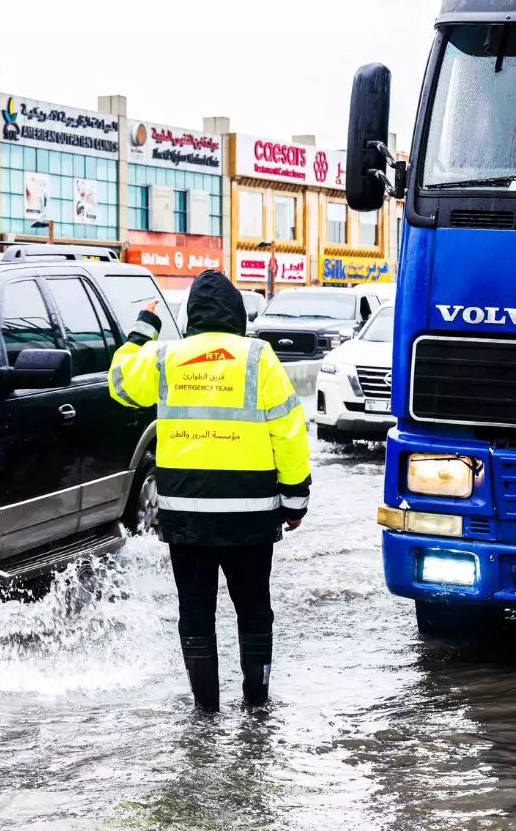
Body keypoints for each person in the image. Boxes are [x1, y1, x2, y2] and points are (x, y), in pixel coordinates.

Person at [108, 269, 312, 711]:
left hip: (187, 517)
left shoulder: (166, 357)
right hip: (253, 517)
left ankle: (206, 712)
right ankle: (256, 705)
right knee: (254, 611)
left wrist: (144, 326)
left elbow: (120, 382)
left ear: (192, 315)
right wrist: (295, 499)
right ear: (237, 313)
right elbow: (290, 432)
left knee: (195, 615)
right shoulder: (259, 357)